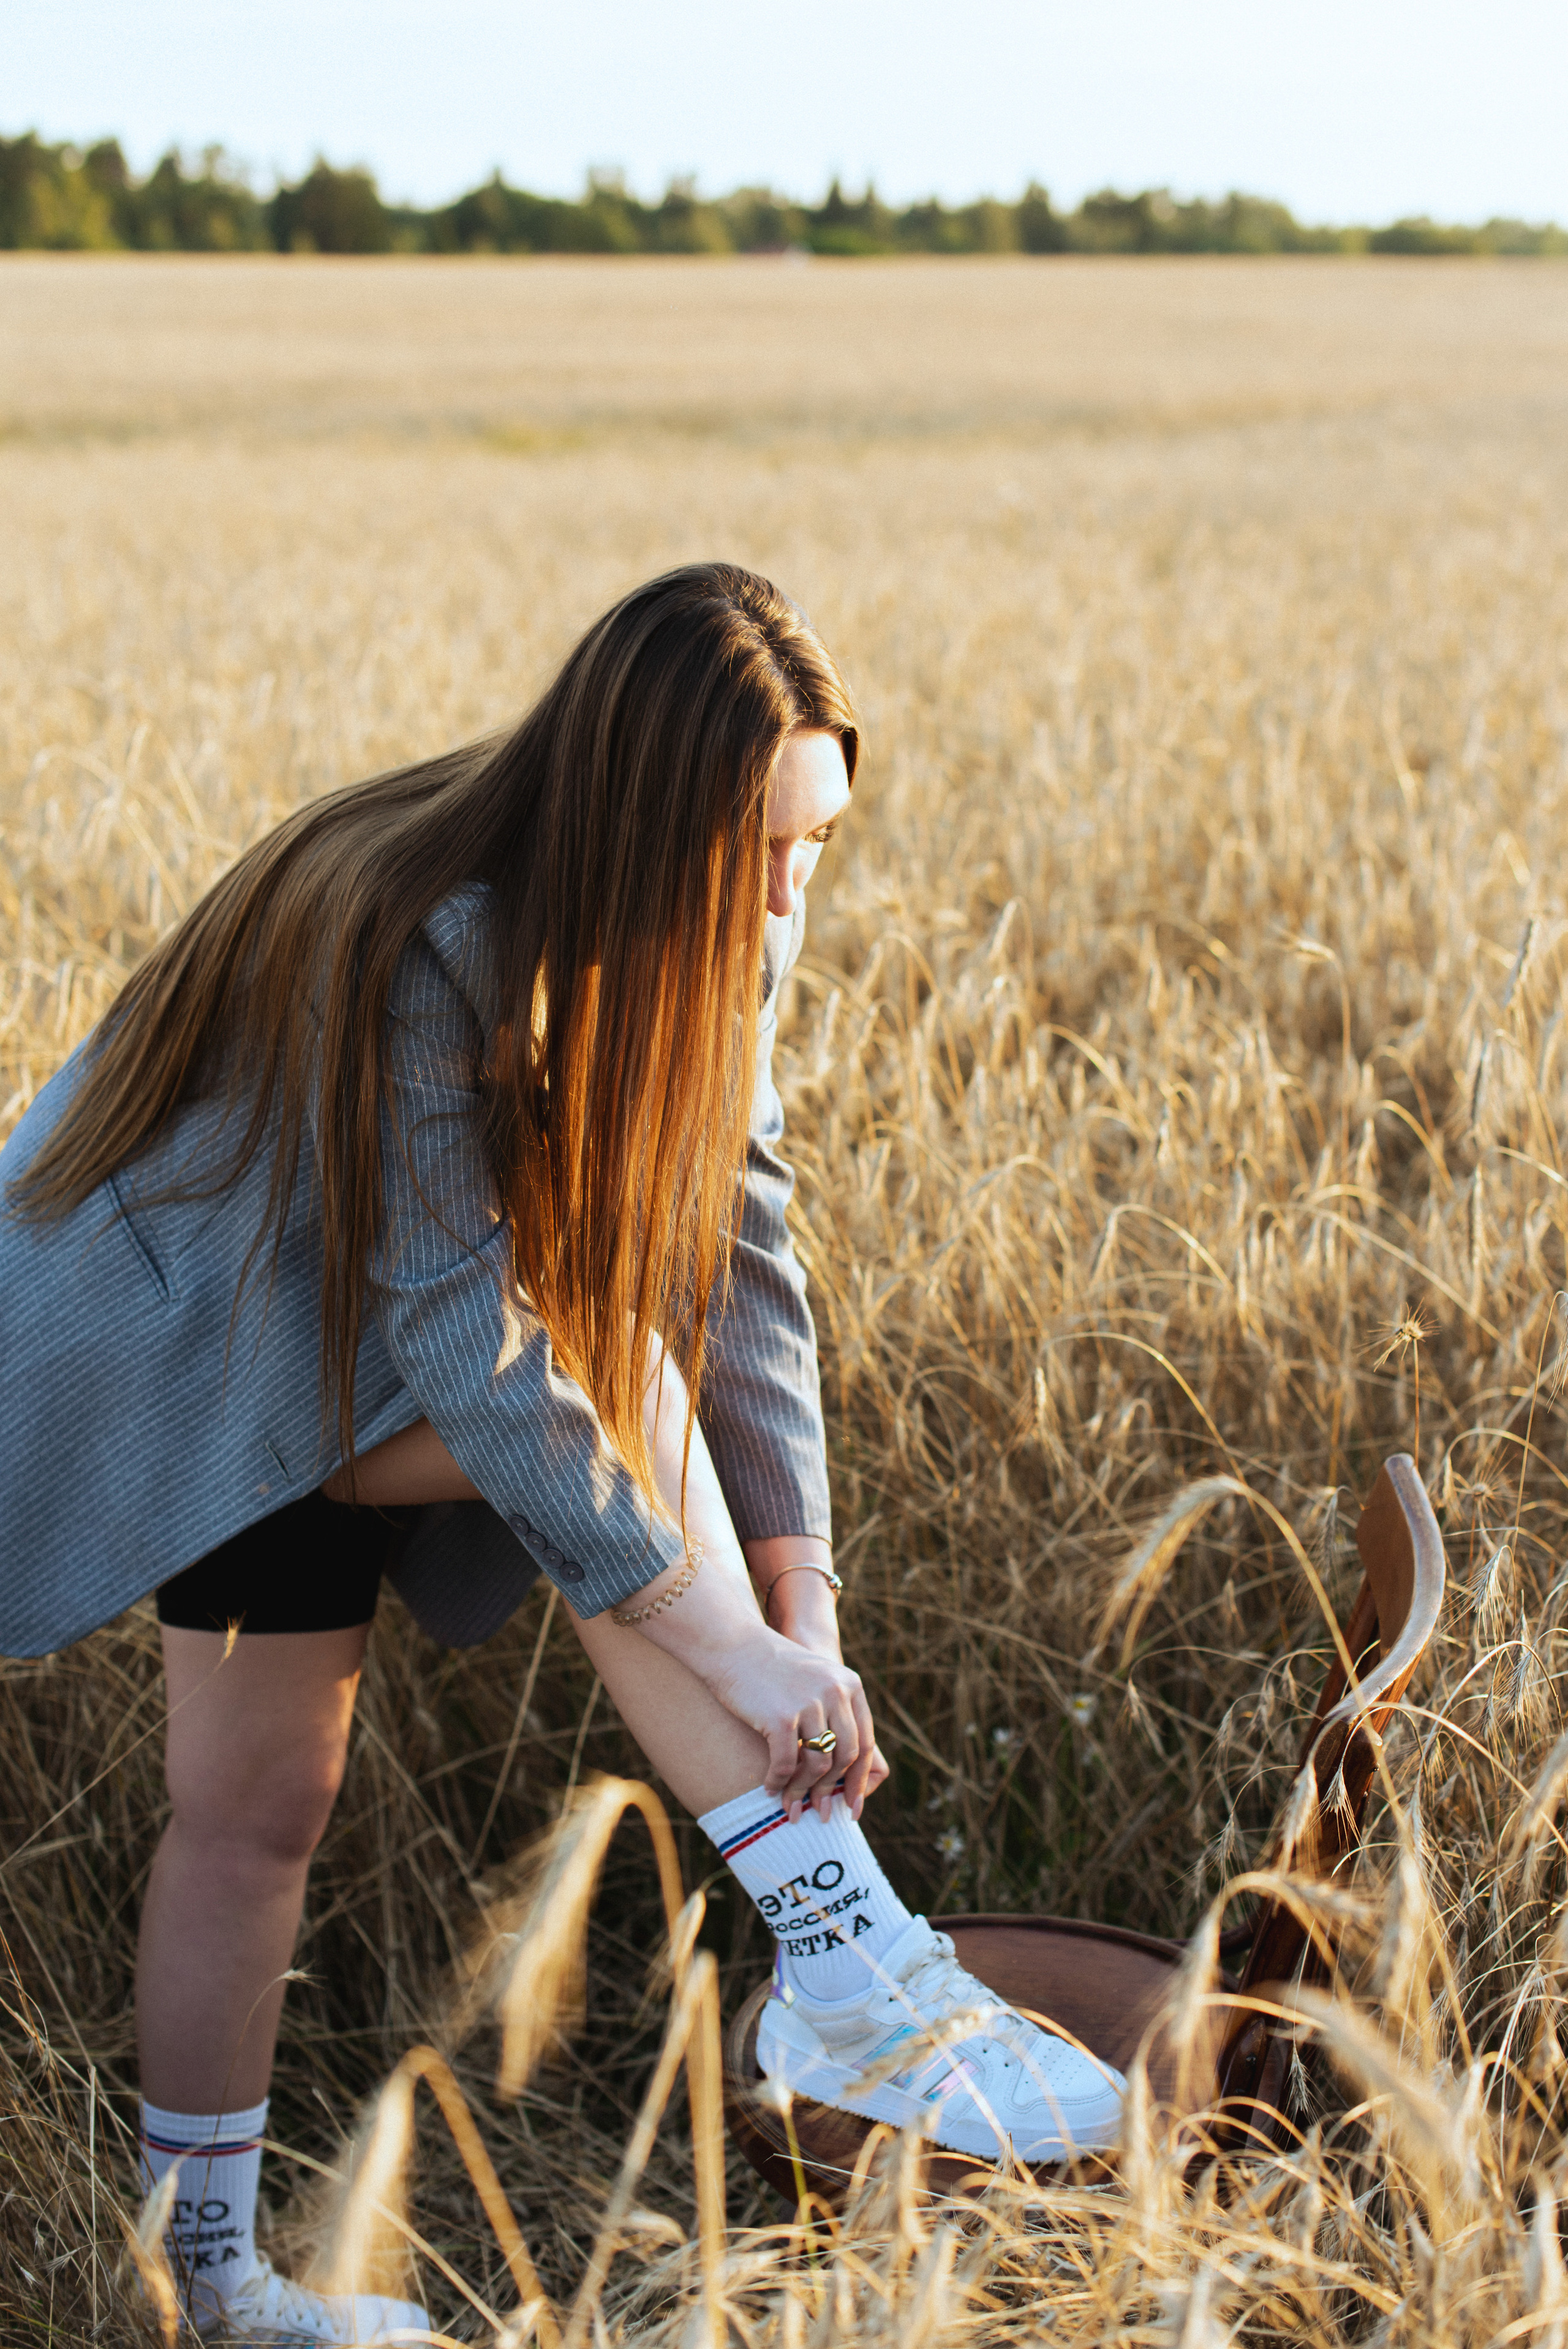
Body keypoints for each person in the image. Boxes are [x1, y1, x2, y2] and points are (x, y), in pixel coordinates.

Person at [1, 564, 1124, 2345]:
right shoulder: (414, 919)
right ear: (633, 807)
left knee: (269, 1796)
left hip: (345, 1343)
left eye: (817, 846)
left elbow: (744, 1252)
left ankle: (215, 2282)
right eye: (755, 848)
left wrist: (800, 1609)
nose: (786, 894)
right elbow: (467, 1332)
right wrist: (724, 1636)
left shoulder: (716, 917)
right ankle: (841, 1961)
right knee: (556, 1420)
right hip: (178, 1337)